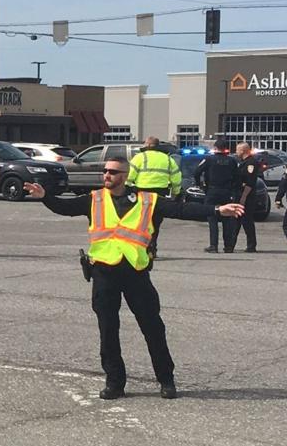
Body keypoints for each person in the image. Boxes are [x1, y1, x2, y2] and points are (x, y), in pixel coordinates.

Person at [26, 160, 243, 400]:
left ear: (125, 176)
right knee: (108, 330)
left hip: (135, 273)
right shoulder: (94, 199)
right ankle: (114, 382)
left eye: (113, 172)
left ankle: (166, 379)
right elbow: (64, 207)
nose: (107, 175)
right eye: (105, 171)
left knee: (153, 328)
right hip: (104, 272)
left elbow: (180, 210)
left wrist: (216, 210)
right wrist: (44, 196)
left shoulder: (148, 201)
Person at [127, 136, 181, 256]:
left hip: (142, 193)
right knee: (155, 222)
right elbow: (176, 178)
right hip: (160, 193)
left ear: (146, 145)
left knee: (142, 222)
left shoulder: (139, 157)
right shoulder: (167, 159)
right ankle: (152, 247)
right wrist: (176, 192)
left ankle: (142, 247)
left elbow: (129, 176)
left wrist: (126, 190)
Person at [194, 138, 241, 253]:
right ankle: (228, 246)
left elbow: (196, 172)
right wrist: (234, 192)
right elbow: (238, 178)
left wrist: (200, 185)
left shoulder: (209, 159)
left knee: (212, 218)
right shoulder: (232, 161)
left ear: (215, 148)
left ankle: (213, 245)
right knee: (227, 219)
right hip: (227, 192)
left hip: (212, 191)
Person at [233, 142, 261, 253]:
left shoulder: (251, 163)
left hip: (247, 197)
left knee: (247, 221)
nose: (236, 152)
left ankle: (251, 246)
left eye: (237, 150)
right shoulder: (243, 162)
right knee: (236, 221)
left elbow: (250, 183)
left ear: (243, 151)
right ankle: (230, 245)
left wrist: (243, 198)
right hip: (240, 195)